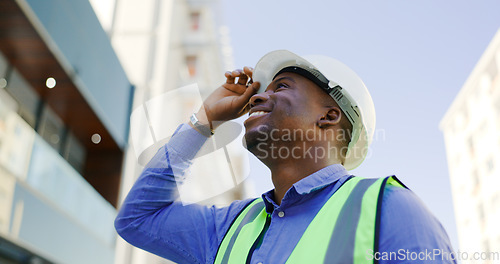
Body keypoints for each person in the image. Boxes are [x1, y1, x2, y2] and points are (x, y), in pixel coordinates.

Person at [115, 50, 456, 263]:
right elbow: (137, 220)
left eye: (280, 87)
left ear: (329, 116)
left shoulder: (388, 209)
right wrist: (204, 121)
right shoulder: (230, 227)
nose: (256, 98)